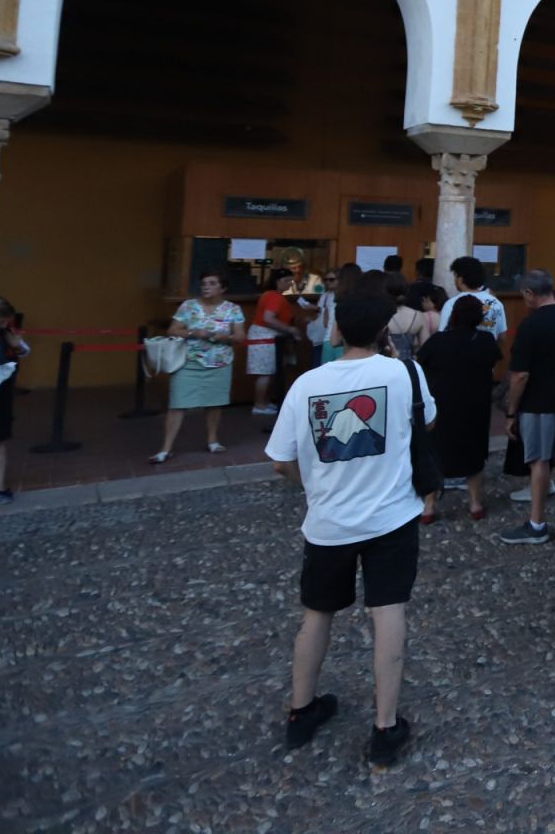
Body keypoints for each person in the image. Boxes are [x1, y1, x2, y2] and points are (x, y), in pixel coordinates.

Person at [265, 287, 435, 767]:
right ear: (385, 332)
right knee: (388, 612)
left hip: (329, 521)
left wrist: (313, 486)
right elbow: (429, 423)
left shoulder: (307, 385)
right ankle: (385, 726)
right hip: (392, 516)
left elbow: (280, 462)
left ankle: (301, 710)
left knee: (316, 613)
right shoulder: (405, 372)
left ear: (336, 330)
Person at [500, 270, 555, 546]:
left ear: (529, 293)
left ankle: (537, 523)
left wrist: (511, 411)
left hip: (538, 403)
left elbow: (520, 374)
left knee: (539, 461)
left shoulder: (530, 325)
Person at [415, 295, 499, 521]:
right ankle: (474, 503)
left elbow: (420, 362)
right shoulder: (485, 340)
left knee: (435, 452)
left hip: (442, 404)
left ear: (453, 315)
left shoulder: (438, 341)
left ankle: (429, 506)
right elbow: (493, 362)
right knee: (474, 452)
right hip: (475, 405)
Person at [152, 269, 245, 463]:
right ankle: (165, 448)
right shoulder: (188, 306)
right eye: (204, 284)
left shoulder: (233, 309)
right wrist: (193, 332)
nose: (206, 288)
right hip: (189, 360)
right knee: (177, 403)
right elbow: (173, 329)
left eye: (212, 283)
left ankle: (213, 440)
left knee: (214, 402)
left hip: (220, 361)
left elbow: (240, 336)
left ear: (223, 288)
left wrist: (225, 337)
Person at [248, 268, 299, 417]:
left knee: (268, 372)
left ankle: (264, 402)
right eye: (286, 281)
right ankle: (259, 405)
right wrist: (290, 329)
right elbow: (268, 318)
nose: (289, 284)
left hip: (265, 337)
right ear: (277, 282)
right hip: (265, 337)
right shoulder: (274, 297)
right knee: (265, 372)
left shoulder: (270, 295)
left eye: (291, 281)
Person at [0, 296, 27, 503]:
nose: (4, 325)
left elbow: (22, 350)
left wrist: (16, 346)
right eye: (0, 321)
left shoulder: (5, 334)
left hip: (1, 394)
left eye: (5, 322)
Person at [449, 256, 507, 341]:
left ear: (460, 279)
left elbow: (444, 333)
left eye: (455, 276)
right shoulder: (496, 303)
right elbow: (502, 336)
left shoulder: (452, 303)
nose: (454, 280)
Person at [384, 278, 433, 362]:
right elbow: (426, 348)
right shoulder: (418, 315)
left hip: (386, 364)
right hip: (409, 365)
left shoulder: (381, 315)